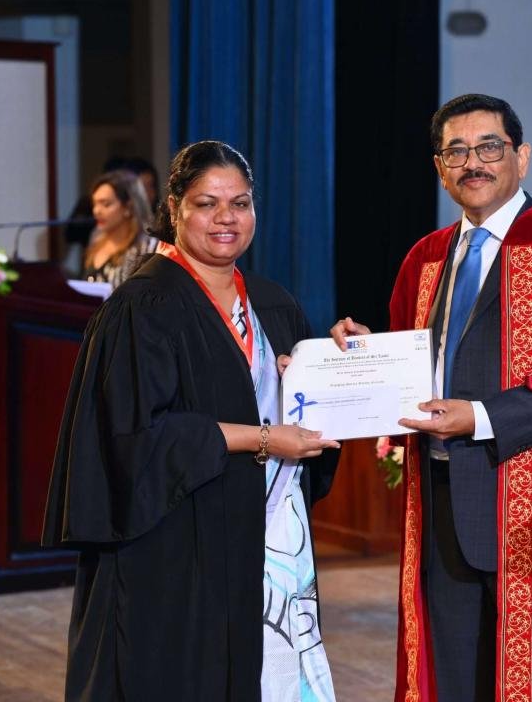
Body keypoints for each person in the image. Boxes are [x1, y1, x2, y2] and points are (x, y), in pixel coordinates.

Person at [331, 93, 532, 701]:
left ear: (521, 158)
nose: (472, 162)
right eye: (456, 151)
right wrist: (358, 358)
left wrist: (481, 417)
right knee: (450, 678)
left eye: (488, 147)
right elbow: (411, 371)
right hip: (439, 505)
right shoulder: (424, 259)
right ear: (439, 168)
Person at [42, 141, 341, 701]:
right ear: (175, 208)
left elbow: (313, 421)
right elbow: (133, 441)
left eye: (240, 203)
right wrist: (262, 438)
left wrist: (338, 366)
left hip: (267, 537)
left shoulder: (273, 303)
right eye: (208, 203)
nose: (227, 218)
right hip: (174, 547)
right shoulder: (142, 307)